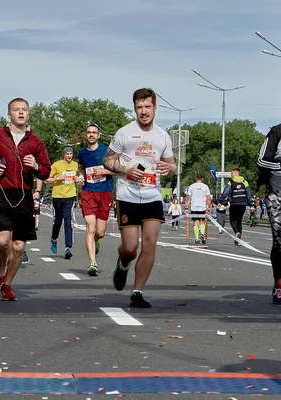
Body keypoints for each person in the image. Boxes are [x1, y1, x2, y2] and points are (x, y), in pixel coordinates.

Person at [103, 88, 176, 308]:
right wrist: (125, 168)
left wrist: (169, 167)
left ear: (155, 107)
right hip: (128, 194)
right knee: (130, 247)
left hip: (152, 195)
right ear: (135, 108)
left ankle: (137, 292)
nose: (143, 112)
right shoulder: (124, 133)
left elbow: (172, 166)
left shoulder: (163, 136)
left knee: (150, 244)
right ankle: (123, 263)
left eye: (147, 107)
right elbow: (107, 161)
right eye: (139, 107)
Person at [0, 97, 51, 301]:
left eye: (24, 110)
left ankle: (7, 284)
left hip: (24, 195)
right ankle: (0, 274)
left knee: (18, 246)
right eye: (16, 110)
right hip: (1, 192)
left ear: (28, 113)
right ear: (9, 113)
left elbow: (46, 171)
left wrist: (35, 166)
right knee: (2, 241)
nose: (20, 113)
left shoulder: (35, 142)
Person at [78, 124, 115, 276]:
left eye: (94, 133)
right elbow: (81, 168)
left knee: (100, 232)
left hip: (104, 192)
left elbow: (118, 169)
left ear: (99, 135)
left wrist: (104, 171)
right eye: (89, 132)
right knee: (90, 229)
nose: (91, 135)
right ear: (86, 135)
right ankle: (92, 263)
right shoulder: (82, 153)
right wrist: (80, 176)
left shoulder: (107, 151)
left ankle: (97, 241)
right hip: (88, 193)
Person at [257, 123, 281, 304]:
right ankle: (279, 286)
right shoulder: (276, 132)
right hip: (276, 195)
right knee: (279, 242)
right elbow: (262, 161)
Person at [41, 147, 79, 260]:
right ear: (63, 155)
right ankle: (54, 239)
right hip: (57, 197)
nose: (69, 156)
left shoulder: (75, 165)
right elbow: (46, 180)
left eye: (71, 154)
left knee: (68, 222)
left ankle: (68, 248)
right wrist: (58, 178)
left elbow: (76, 177)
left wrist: (78, 179)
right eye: (67, 154)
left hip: (70, 196)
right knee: (58, 221)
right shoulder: (56, 165)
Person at [222, 168, 254, 246]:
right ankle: (238, 240)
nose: (231, 175)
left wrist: (221, 200)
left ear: (236, 173)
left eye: (232, 174)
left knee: (232, 220)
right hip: (242, 204)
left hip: (234, 204)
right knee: (239, 221)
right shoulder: (245, 182)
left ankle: (237, 232)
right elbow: (248, 195)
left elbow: (225, 193)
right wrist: (251, 205)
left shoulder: (231, 182)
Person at [186, 175, 211, 245]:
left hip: (194, 207)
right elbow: (208, 198)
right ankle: (202, 233)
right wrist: (209, 207)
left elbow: (189, 198)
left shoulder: (191, 186)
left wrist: (186, 207)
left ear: (196, 178)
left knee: (195, 222)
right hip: (202, 207)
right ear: (202, 179)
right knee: (202, 221)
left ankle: (197, 239)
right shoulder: (205, 186)